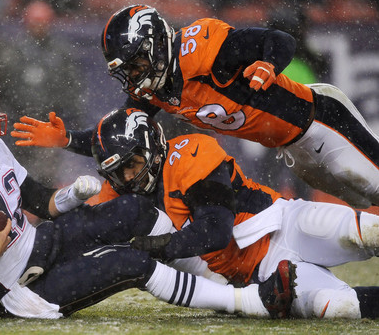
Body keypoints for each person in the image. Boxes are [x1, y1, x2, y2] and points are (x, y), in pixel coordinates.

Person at [0, 70, 296, 319]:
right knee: (130, 261)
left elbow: (41, 203)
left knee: (134, 209)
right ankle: (249, 302)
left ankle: (222, 280)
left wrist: (74, 196)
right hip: (20, 291)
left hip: (39, 246)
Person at [10, 4, 379, 209]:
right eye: (127, 71)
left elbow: (278, 39)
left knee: (375, 187)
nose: (134, 77)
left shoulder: (202, 50)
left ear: (156, 46)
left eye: (137, 64)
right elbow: (119, 137)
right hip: (292, 147)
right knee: (362, 207)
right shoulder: (153, 89)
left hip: (321, 121)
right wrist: (67, 139)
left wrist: (267, 64)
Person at [89, 108, 379, 319]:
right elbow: (82, 228)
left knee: (369, 232)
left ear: (152, 147)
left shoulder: (190, 153)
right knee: (340, 307)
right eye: (118, 173)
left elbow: (215, 230)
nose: (128, 178)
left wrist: (160, 247)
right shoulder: (119, 197)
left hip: (283, 223)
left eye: (133, 163)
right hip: (259, 275)